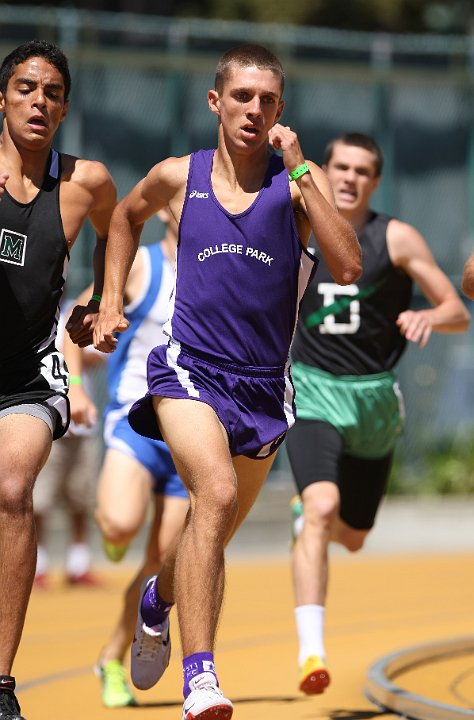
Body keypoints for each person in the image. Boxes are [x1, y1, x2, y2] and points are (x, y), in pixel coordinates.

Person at [84, 45, 361, 720]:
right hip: (188, 370)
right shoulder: (181, 176)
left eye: (267, 100)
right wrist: (110, 297)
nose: (254, 110)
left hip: (265, 389)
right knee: (211, 492)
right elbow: (123, 216)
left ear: (281, 113)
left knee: (207, 535)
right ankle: (201, 676)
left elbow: (348, 264)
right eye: (242, 97)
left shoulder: (295, 183)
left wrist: (301, 167)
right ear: (216, 101)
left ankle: (157, 600)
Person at [286, 132, 470, 696]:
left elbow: (456, 308)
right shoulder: (295, 223)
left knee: (355, 535)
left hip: (373, 399)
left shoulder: (395, 238)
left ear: (375, 180)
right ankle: (311, 648)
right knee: (321, 507)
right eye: (340, 166)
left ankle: (318, 522)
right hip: (312, 388)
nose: (348, 178)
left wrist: (428, 320)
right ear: (325, 168)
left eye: (362, 170)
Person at [0, 39, 116, 719]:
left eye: (51, 92)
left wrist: (104, 298)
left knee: (14, 487)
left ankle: (3, 682)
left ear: (65, 106)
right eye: (24, 88)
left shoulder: (83, 182)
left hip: (27, 371)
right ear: (3, 98)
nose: (38, 101)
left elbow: (118, 223)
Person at [92, 209, 189, 708]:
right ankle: (114, 528)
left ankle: (111, 656)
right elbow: (85, 318)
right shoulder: (142, 267)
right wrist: (71, 380)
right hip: (134, 420)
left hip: (190, 435)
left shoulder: (215, 267)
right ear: (167, 211)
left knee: (161, 563)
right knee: (118, 525)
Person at [33, 300, 104, 589]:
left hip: (82, 425)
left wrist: (68, 353)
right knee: (39, 501)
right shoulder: (35, 316)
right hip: (47, 423)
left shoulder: (79, 312)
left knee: (81, 500)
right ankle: (38, 564)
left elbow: (99, 356)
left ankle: (79, 563)